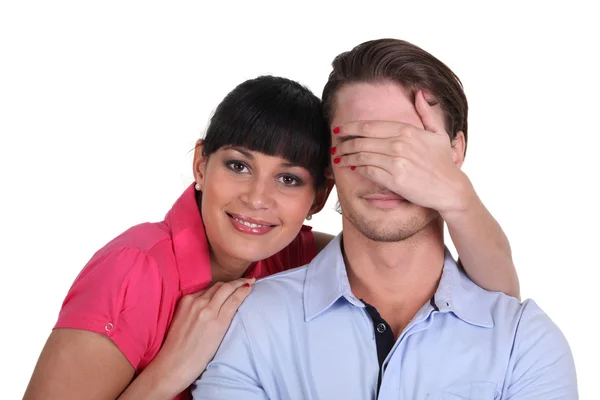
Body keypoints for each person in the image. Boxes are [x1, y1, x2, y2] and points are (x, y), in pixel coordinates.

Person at [23, 71, 519, 400]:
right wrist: (171, 370)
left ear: (319, 197)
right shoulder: (134, 270)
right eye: (238, 165)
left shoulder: (292, 256)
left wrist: (455, 195)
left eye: (289, 179)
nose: (258, 199)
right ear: (200, 163)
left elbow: (490, 297)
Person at [192, 39, 577, 399]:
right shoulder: (251, 324)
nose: (383, 172)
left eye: (406, 146)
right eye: (356, 144)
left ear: (455, 151)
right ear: (328, 160)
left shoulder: (523, 342)